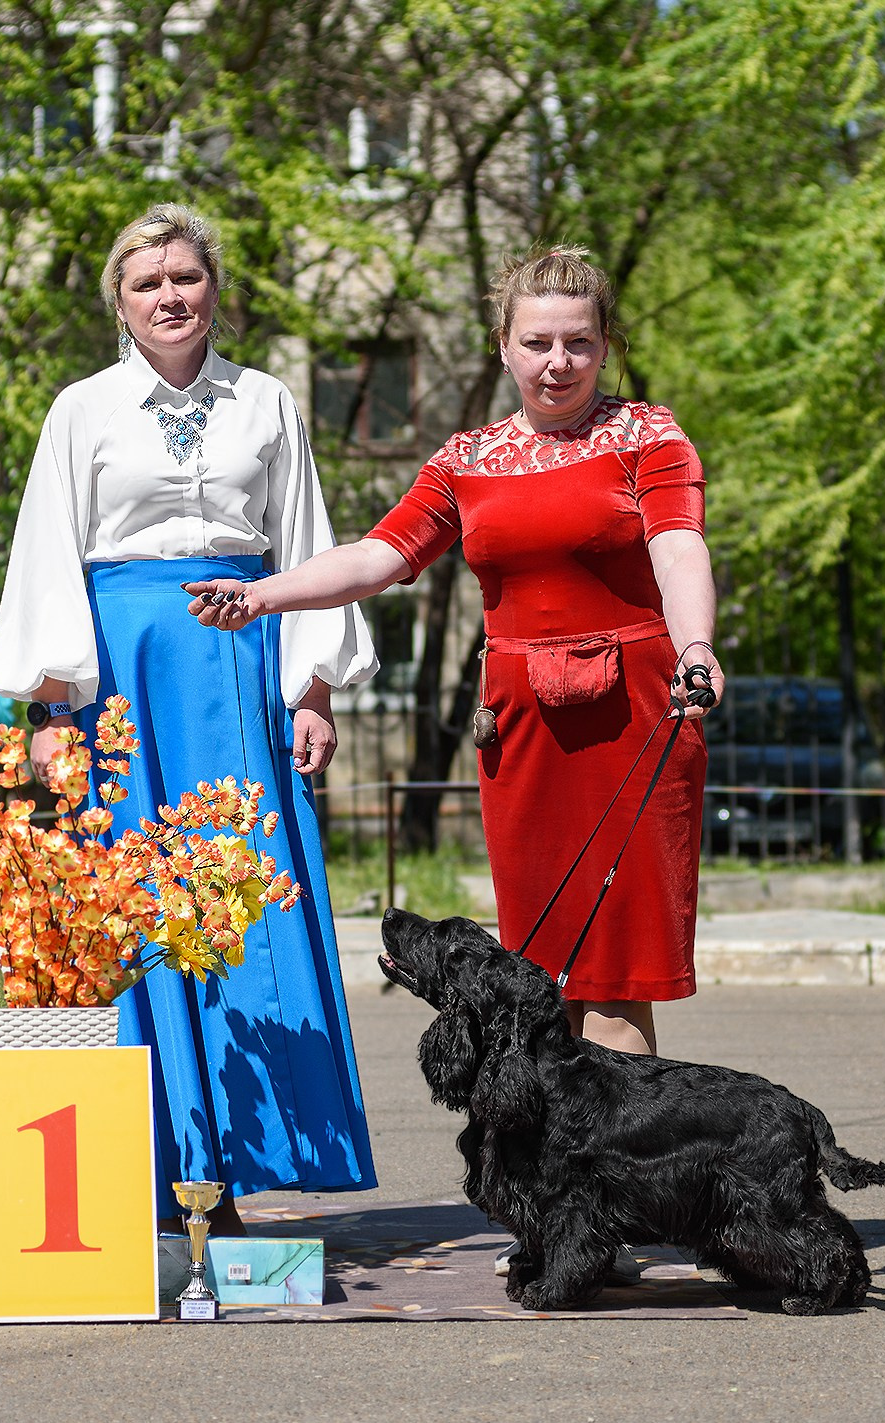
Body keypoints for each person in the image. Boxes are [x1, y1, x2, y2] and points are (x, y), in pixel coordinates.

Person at [188, 245, 724, 1272]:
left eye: (578, 342)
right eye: (537, 343)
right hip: (519, 729)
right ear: (502, 346)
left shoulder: (645, 437)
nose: (558, 362)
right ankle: (573, 1209)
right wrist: (263, 594)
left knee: (613, 981)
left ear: (605, 344)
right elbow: (382, 555)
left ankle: (610, 1220)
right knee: (539, 980)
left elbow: (676, 547)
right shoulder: (468, 457)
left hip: (632, 717)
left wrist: (695, 645)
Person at [0, 203, 379, 1234]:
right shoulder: (82, 409)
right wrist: (52, 708)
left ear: (215, 290)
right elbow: (46, 556)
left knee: (242, 898)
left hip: (243, 663)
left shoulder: (269, 402)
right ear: (119, 300)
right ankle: (150, 1161)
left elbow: (304, 543)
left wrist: (314, 687)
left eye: (186, 278)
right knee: (135, 900)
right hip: (124, 669)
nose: (169, 296)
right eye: (147, 281)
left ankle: (234, 1167)